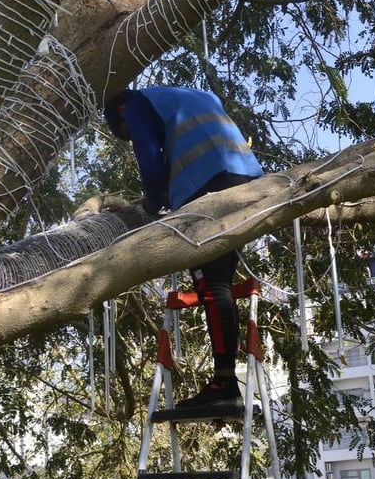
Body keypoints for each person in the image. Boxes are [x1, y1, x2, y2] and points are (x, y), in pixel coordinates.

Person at [104, 85, 264, 414]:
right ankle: (225, 381)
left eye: (127, 133)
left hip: (208, 187)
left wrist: (153, 200)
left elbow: (150, 160)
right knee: (219, 280)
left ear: (120, 110)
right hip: (247, 179)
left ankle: (224, 384)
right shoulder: (191, 94)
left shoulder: (134, 104)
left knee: (211, 284)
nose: (132, 134)